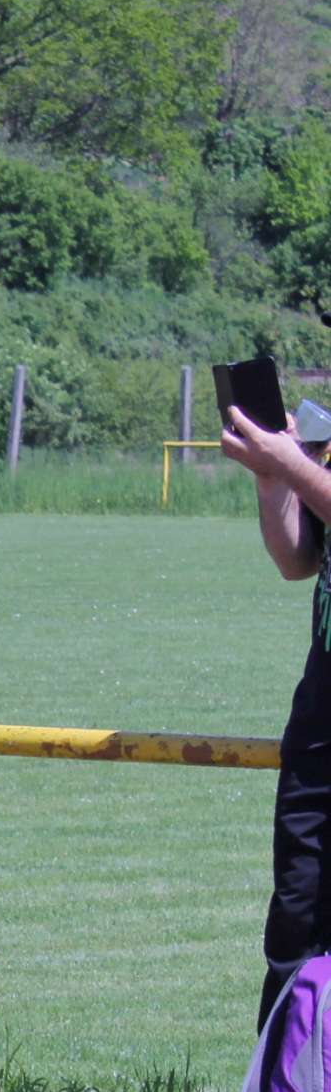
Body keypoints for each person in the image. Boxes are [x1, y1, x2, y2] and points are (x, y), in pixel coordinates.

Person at [217, 399, 331, 1024]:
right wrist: (271, 478)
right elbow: (297, 560)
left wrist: (290, 464)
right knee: (296, 925)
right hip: (321, 720)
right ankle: (286, 1083)